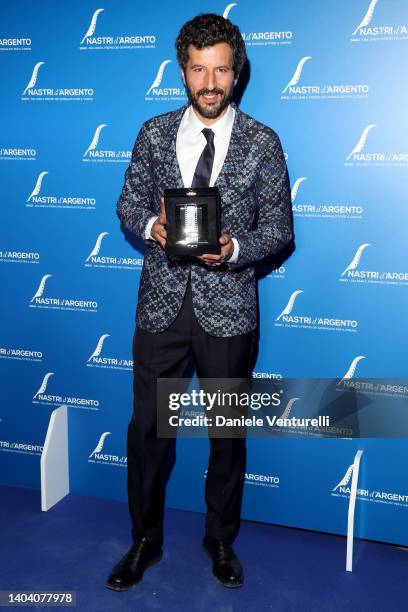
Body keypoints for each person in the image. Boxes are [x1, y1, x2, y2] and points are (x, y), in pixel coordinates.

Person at [106, 13, 293, 591]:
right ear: (182, 71)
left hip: (229, 310)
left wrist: (237, 247)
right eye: (198, 69)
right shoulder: (154, 132)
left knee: (226, 433)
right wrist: (151, 227)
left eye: (221, 70)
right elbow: (128, 202)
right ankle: (144, 539)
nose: (209, 83)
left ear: (236, 75)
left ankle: (220, 538)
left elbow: (280, 230)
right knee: (148, 432)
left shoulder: (263, 142)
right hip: (161, 307)